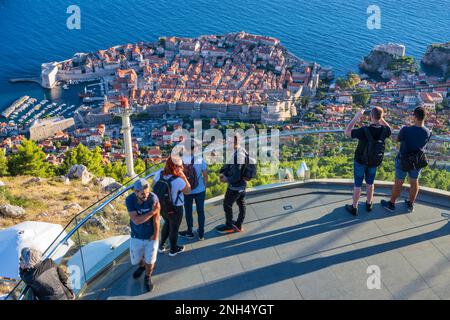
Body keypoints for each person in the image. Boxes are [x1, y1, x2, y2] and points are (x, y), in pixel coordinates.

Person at [381, 106, 431, 213]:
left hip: (403, 159)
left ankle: (392, 204)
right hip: (417, 161)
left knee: (399, 182)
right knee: (414, 182)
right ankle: (410, 204)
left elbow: (398, 139)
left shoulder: (406, 129)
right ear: (424, 117)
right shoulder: (427, 132)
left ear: (414, 116)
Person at [344, 107, 391, 216]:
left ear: (371, 116)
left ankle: (354, 207)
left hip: (360, 160)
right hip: (374, 161)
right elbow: (389, 128)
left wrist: (356, 117)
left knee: (358, 185)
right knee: (370, 183)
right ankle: (369, 203)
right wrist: (381, 119)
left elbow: (347, 132)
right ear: (381, 117)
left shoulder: (364, 131)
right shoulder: (385, 130)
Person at [125, 178, 160, 292]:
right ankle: (141, 266)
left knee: (150, 260)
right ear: (135, 192)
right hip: (136, 235)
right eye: (142, 194)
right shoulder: (130, 200)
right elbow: (136, 220)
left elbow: (156, 218)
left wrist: (155, 234)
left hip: (150, 235)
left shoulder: (153, 198)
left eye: (147, 192)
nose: (145, 195)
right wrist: (151, 212)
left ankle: (147, 276)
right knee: (135, 261)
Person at [153, 156, 191, 256]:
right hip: (175, 208)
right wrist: (183, 177)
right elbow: (188, 191)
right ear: (175, 167)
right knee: (174, 228)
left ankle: (161, 246)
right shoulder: (178, 180)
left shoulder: (159, 174)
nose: (182, 167)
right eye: (180, 166)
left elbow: (154, 186)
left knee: (167, 223)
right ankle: (173, 249)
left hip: (161, 206)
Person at [216, 134, 249, 233]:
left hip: (236, 186)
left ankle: (229, 225)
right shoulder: (241, 150)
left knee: (227, 205)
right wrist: (223, 172)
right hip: (242, 185)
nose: (226, 143)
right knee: (241, 203)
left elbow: (236, 175)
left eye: (228, 141)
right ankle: (238, 224)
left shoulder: (239, 155)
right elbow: (232, 167)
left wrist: (226, 179)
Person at [179, 140, 208, 240]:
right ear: (193, 149)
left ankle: (190, 232)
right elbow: (205, 175)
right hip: (200, 190)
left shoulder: (181, 161)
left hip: (187, 191)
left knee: (188, 211)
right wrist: (205, 186)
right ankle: (201, 234)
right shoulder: (200, 160)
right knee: (200, 211)